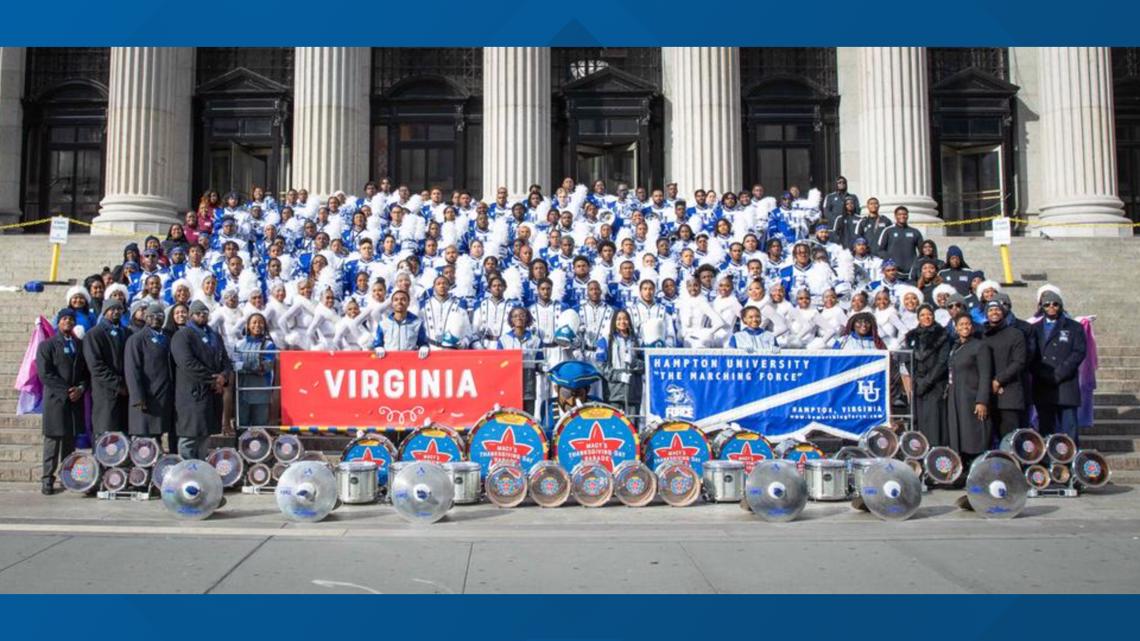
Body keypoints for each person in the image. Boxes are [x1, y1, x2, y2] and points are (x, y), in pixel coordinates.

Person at [35, 309, 88, 495]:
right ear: (59, 322)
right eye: (64, 319)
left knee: (69, 442)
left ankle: (67, 476)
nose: (68, 322)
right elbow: (45, 374)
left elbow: (85, 374)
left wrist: (80, 388)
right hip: (56, 401)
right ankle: (48, 479)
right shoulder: (47, 345)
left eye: (71, 319)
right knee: (52, 441)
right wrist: (66, 391)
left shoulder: (79, 345)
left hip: (75, 402)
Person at [171, 300, 232, 460]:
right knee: (190, 436)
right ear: (191, 316)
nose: (202, 316)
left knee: (205, 434)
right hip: (193, 393)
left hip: (211, 394)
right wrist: (213, 379)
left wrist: (223, 376)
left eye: (205, 313)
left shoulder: (215, 336)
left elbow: (225, 361)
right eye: (198, 313)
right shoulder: (183, 335)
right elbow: (187, 363)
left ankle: (200, 469)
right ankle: (185, 469)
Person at [1029, 290, 1087, 443]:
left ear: (1060, 305)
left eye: (1055, 304)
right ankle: (1048, 463)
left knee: (1069, 429)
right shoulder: (1034, 329)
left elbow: (1078, 352)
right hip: (1043, 384)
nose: (1051, 307)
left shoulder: (1075, 327)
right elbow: (1030, 355)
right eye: (1047, 304)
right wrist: (1043, 373)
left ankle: (1070, 461)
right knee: (1046, 429)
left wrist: (1060, 373)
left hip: (1066, 384)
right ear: (1041, 307)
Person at [124, 303, 175, 443]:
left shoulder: (168, 338)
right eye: (151, 316)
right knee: (144, 438)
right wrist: (137, 396)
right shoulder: (136, 339)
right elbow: (132, 369)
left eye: (160, 316)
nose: (156, 319)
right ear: (145, 318)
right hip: (146, 395)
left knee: (157, 434)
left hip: (163, 395)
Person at [946, 314, 993, 462]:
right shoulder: (955, 346)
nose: (965, 327)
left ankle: (976, 462)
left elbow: (986, 375)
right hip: (956, 395)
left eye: (967, 324)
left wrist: (982, 401)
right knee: (959, 431)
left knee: (973, 433)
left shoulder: (980, 346)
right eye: (961, 325)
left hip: (972, 396)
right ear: (956, 328)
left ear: (972, 327)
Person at [904, 304, 950, 446]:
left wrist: (927, 381)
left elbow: (943, 362)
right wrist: (917, 380)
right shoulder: (912, 335)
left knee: (935, 420)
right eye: (922, 315)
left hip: (935, 383)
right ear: (918, 318)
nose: (926, 317)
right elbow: (908, 360)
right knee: (921, 419)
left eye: (929, 314)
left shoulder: (942, 334)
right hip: (918, 384)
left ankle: (936, 450)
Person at [82, 301, 130, 436]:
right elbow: (96, 366)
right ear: (104, 312)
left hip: (126, 394)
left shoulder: (127, 333)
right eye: (112, 309)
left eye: (119, 309)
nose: (116, 312)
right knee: (106, 437)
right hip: (105, 393)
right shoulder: (94, 334)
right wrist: (119, 384)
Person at [982, 300, 1027, 439]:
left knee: (1009, 438)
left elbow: (1019, 362)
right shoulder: (982, 335)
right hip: (987, 395)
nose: (994, 313)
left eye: (997, 310)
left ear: (1004, 312)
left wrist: (999, 380)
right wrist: (989, 383)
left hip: (1009, 394)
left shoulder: (1016, 334)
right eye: (990, 310)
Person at [596, 309, 643, 415]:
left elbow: (646, 365)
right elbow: (600, 365)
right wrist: (618, 376)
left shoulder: (637, 340)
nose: (622, 322)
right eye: (619, 319)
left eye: (625, 319)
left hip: (633, 392)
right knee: (615, 425)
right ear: (614, 321)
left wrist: (634, 363)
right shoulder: (605, 340)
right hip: (614, 393)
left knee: (632, 426)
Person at [234, 313, 276, 429]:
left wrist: (244, 366)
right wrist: (255, 365)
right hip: (242, 391)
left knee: (259, 429)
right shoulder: (239, 344)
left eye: (260, 322)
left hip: (261, 392)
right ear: (247, 326)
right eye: (254, 322)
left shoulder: (269, 345)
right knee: (242, 428)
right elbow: (235, 366)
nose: (257, 325)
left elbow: (265, 367)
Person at [877, 206, 924, 277]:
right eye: (899, 214)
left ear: (907, 216)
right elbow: (880, 250)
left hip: (911, 273)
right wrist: (890, 261)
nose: (902, 216)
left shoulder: (915, 232)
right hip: (894, 273)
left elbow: (922, 251)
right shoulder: (888, 231)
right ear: (895, 216)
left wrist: (916, 264)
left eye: (904, 214)